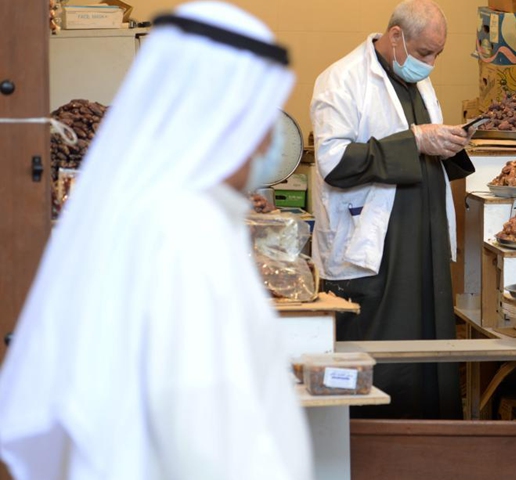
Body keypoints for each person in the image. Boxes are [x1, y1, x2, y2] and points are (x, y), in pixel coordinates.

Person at [0, 3, 312, 480]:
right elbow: (201, 438)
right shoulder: (181, 232)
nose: (264, 148)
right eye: (256, 127)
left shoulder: (157, 210)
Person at [310, 0, 475, 420]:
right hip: (376, 247)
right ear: (396, 36)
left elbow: (421, 145)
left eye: (438, 54)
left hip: (424, 240)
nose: (431, 64)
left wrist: (447, 142)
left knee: (429, 351)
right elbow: (333, 162)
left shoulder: (414, 78)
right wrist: (417, 141)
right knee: (383, 358)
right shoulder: (341, 80)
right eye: (425, 53)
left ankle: (429, 449)